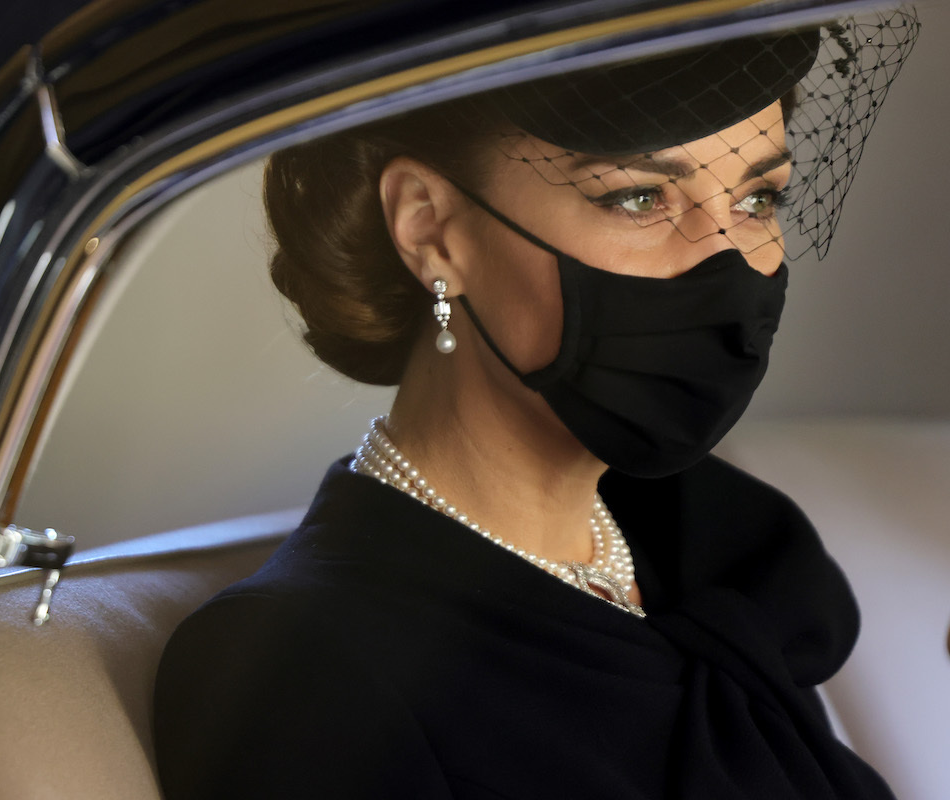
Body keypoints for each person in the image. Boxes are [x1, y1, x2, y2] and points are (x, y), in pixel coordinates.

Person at [154, 9, 919, 799]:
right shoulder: (306, 674)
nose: (723, 264)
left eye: (758, 199)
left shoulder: (722, 555)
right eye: (637, 198)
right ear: (431, 228)